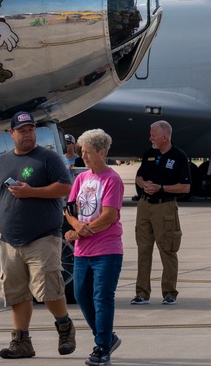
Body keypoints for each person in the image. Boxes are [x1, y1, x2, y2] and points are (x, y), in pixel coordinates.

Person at [0, 111, 76, 360]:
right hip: (10, 240)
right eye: (23, 131)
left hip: (44, 236)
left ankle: (65, 326)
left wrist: (31, 192)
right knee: (16, 293)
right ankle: (21, 341)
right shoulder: (0, 163)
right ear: (11, 133)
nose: (28, 134)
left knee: (48, 287)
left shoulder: (48, 158)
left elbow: (65, 186)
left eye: (31, 129)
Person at [65, 129, 124, 366]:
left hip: (107, 250)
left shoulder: (112, 179)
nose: (84, 156)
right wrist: (77, 224)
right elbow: (69, 209)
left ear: (101, 153)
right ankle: (107, 338)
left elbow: (109, 216)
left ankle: (102, 347)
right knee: (81, 295)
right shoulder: (81, 178)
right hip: (82, 250)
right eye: (82, 151)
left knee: (102, 298)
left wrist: (78, 231)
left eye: (88, 152)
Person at [131, 121, 191, 306]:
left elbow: (186, 187)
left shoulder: (179, 157)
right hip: (144, 206)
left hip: (164, 207)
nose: (150, 138)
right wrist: (144, 185)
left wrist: (161, 188)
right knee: (143, 249)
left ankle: (169, 292)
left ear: (164, 137)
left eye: (153, 135)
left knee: (167, 249)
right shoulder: (149, 154)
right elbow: (139, 176)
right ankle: (142, 293)